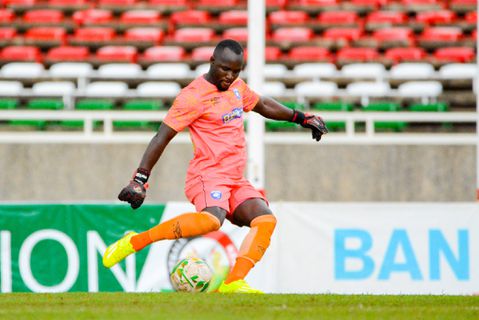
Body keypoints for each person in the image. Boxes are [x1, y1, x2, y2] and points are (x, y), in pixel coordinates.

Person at [102, 39, 328, 293]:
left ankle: (233, 283)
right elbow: (161, 136)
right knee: (211, 220)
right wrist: (140, 179)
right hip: (207, 175)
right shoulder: (192, 96)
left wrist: (300, 117)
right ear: (211, 62)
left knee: (265, 220)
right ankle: (135, 241)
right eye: (224, 69)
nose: (229, 76)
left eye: (235, 71)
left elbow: (263, 104)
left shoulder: (237, 88)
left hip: (235, 178)